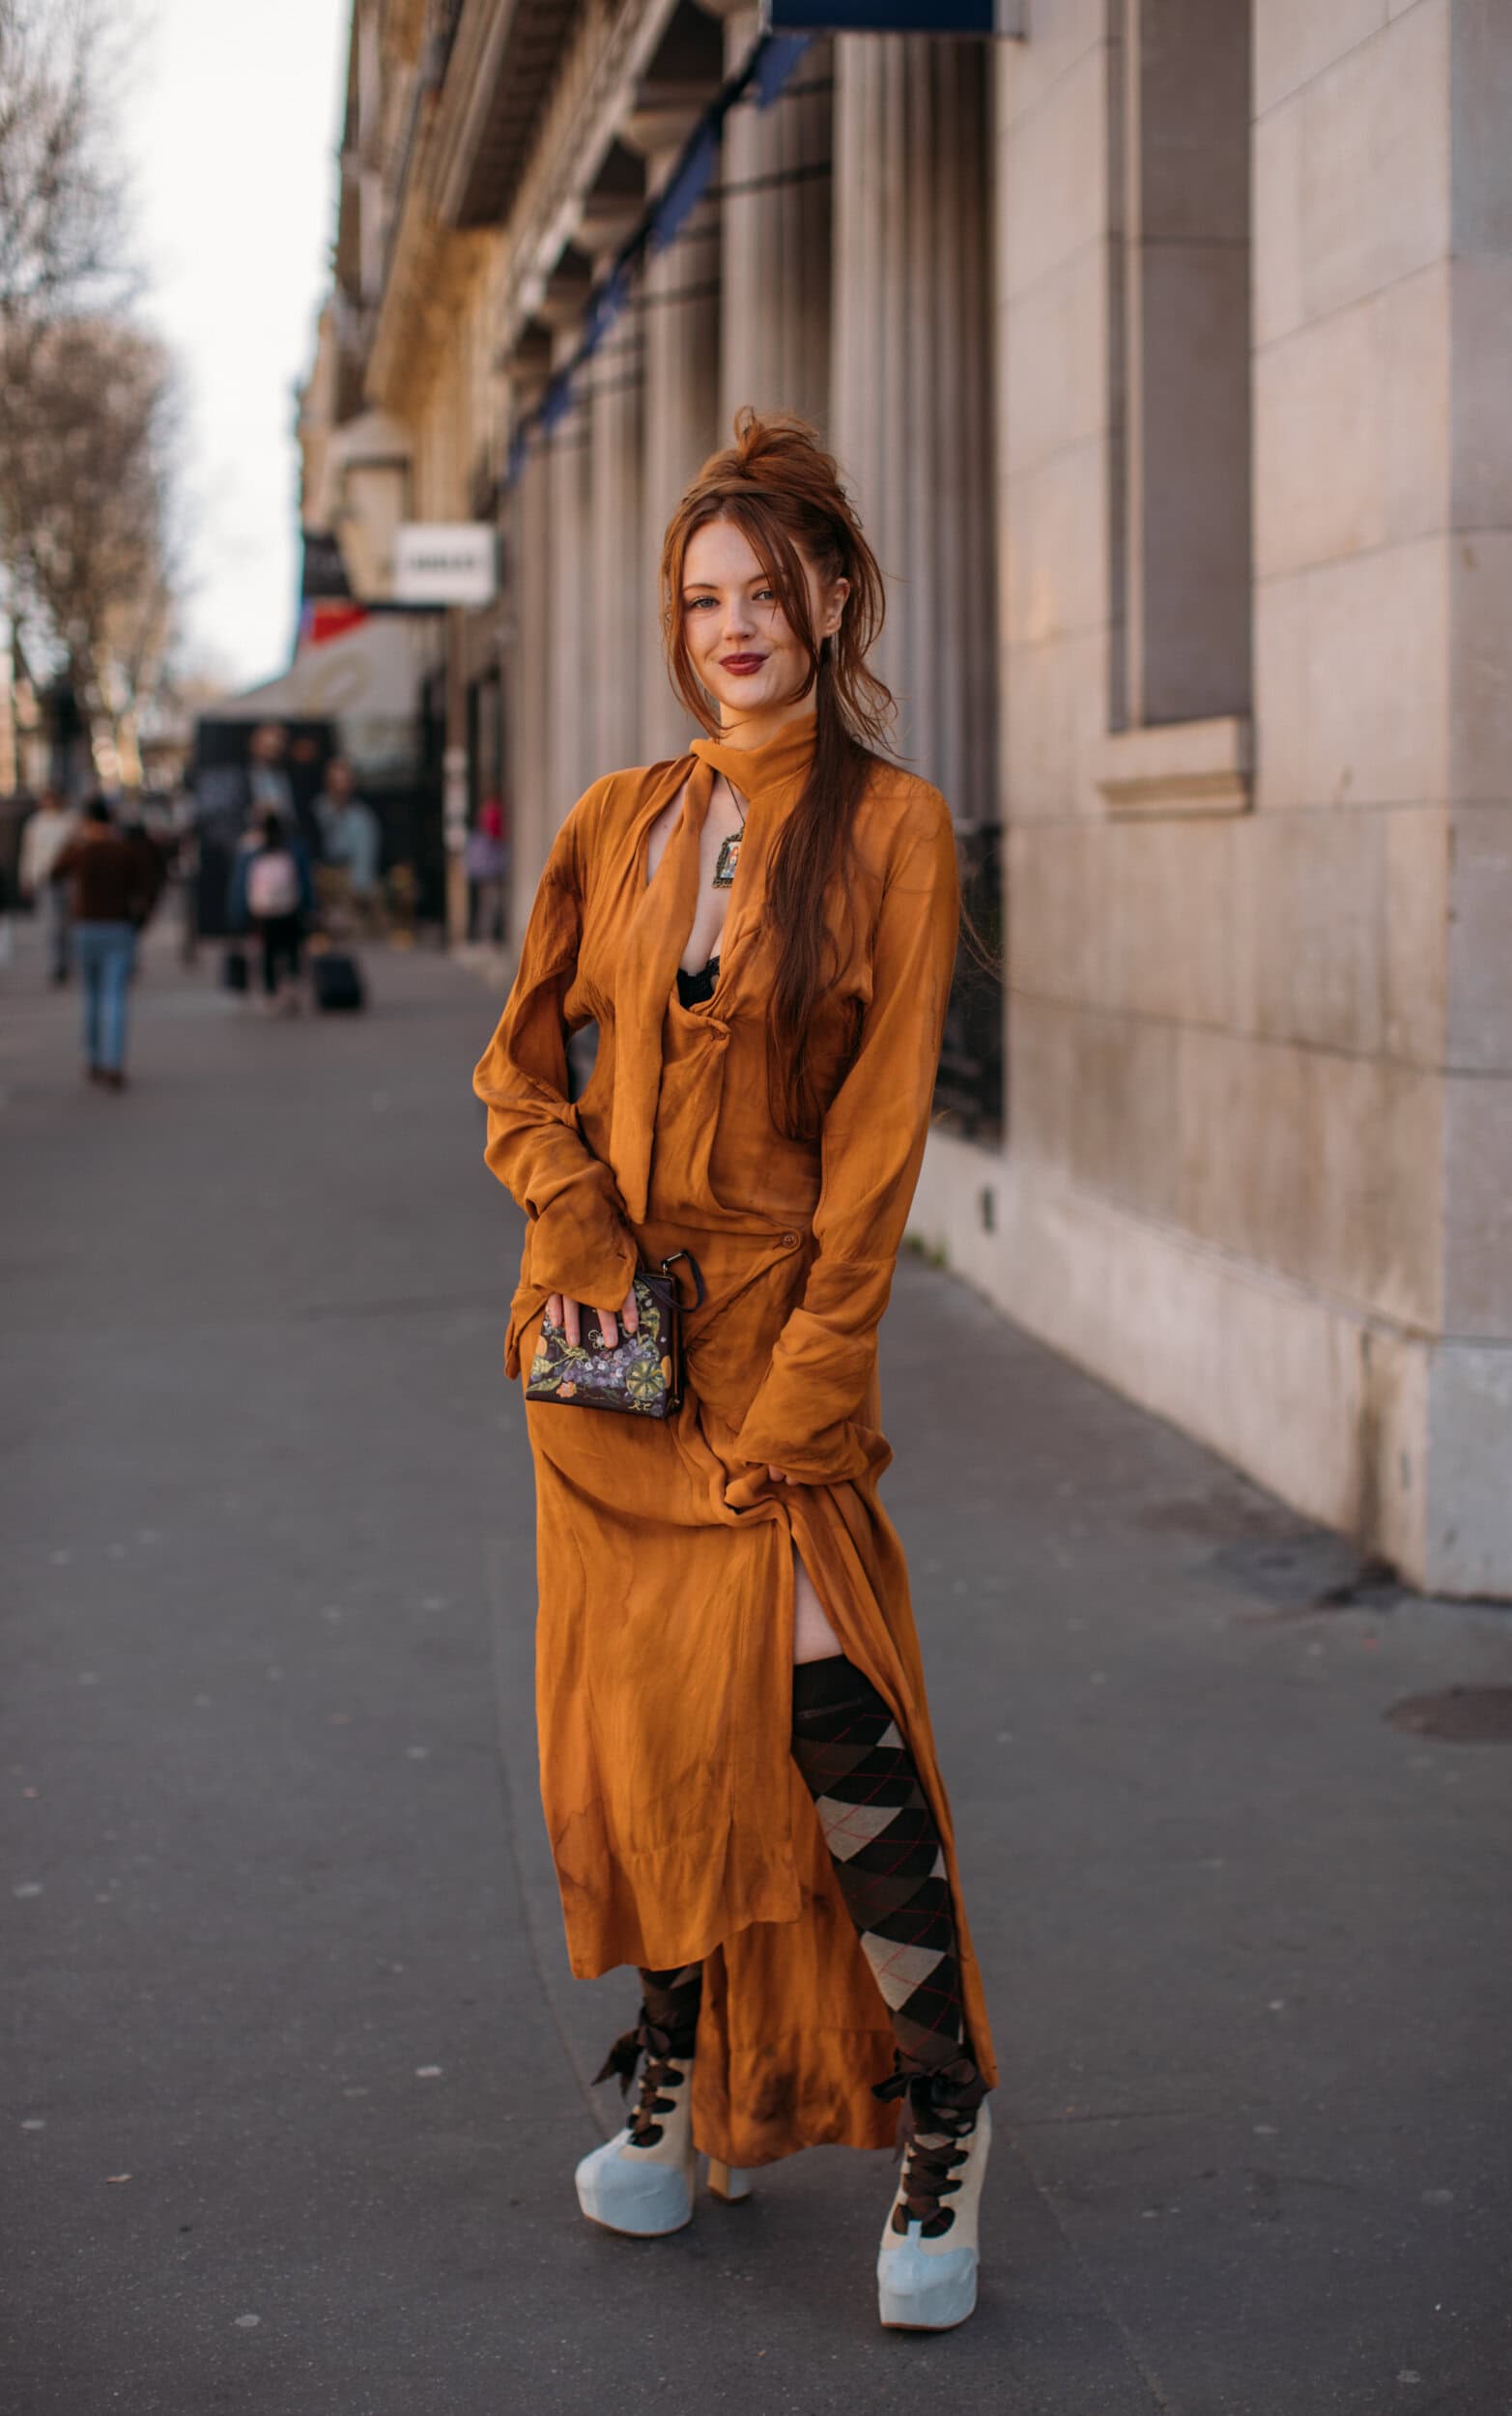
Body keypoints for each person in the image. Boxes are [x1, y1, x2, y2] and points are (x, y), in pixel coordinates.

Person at [472, 411, 995, 2333]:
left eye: (760, 592)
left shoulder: (889, 829)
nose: (728, 627)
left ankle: (940, 2104)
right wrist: (584, 1230)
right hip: (608, 1365)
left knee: (814, 1693)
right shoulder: (616, 818)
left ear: (830, 595)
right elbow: (516, 1071)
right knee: (653, 1736)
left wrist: (808, 1390)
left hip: (775, 1351)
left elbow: (871, 1159)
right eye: (699, 599)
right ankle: (675, 2079)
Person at [55, 795, 154, 1089]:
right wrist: (138, 923)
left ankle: (93, 1058)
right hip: (119, 928)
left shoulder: (81, 849)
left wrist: (72, 839)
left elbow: (53, 873)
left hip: (86, 928)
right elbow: (146, 887)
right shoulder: (124, 850)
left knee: (92, 996)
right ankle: (113, 1061)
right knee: (114, 997)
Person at [230, 811, 312, 1011]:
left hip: (263, 912)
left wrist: (238, 914)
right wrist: (310, 908)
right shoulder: (293, 848)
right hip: (289, 909)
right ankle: (290, 987)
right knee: (292, 949)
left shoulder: (251, 850)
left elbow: (241, 884)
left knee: (268, 951)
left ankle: (271, 992)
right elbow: (305, 882)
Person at [313, 758, 383, 933]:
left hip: (347, 884)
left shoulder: (362, 817)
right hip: (319, 880)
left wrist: (356, 894)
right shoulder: (316, 810)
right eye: (335, 782)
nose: (340, 788)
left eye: (344, 783)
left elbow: (364, 862)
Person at [18, 789, 78, 984]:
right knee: (52, 924)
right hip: (46, 878)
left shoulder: (70, 821)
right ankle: (57, 965)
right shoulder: (36, 824)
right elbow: (29, 852)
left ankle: (70, 962)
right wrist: (26, 877)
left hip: (68, 877)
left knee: (69, 922)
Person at [464, 797, 508, 943]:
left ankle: (487, 935)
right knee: (490, 904)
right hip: (490, 872)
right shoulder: (486, 839)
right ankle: (487, 936)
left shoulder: (481, 838)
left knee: (488, 904)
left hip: (487, 872)